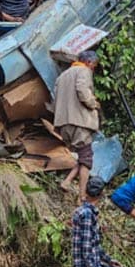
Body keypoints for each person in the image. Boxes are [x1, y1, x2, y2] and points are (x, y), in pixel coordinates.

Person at [54, 50, 101, 196]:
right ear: (88, 62)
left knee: (83, 156)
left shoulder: (62, 76)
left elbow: (55, 98)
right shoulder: (83, 71)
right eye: (94, 65)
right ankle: (82, 196)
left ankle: (67, 181)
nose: (93, 68)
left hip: (63, 123)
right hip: (79, 122)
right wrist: (93, 103)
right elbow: (82, 90)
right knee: (86, 159)